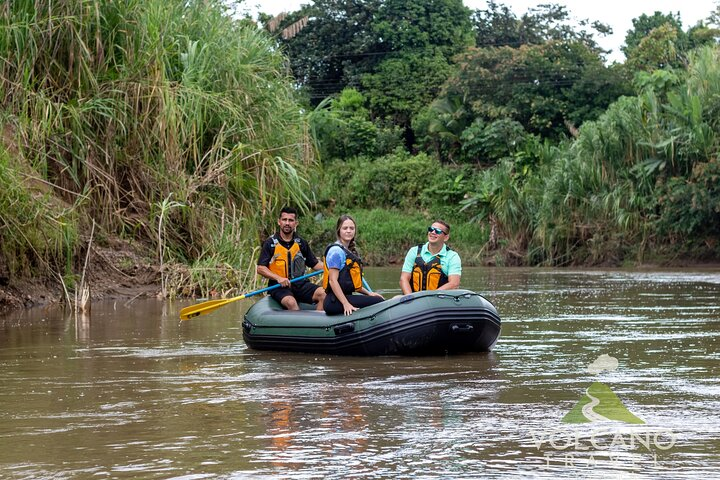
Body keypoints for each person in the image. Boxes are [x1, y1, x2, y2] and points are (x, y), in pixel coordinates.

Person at [257, 207, 326, 310]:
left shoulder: (301, 243)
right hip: (279, 287)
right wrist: (278, 278)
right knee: (291, 302)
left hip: (300, 284)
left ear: (296, 223)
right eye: (284, 220)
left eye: (291, 220)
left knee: (324, 294)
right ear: (279, 222)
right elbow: (260, 268)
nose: (287, 223)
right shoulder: (270, 243)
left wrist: (332, 268)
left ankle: (316, 323)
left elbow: (315, 264)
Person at [322, 214, 384, 316]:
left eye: (352, 228)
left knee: (377, 298)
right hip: (334, 302)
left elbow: (352, 282)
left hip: (344, 297)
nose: (349, 231)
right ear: (339, 230)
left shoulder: (349, 251)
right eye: (345, 228)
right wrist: (346, 304)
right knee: (378, 302)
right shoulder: (336, 252)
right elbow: (332, 281)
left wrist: (369, 293)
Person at [399, 220, 461, 294]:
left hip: (439, 300)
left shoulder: (452, 256)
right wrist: (410, 298)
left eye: (438, 231)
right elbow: (404, 279)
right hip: (413, 300)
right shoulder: (414, 251)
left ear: (446, 237)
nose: (433, 232)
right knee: (396, 298)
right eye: (431, 229)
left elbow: (454, 284)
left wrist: (430, 297)